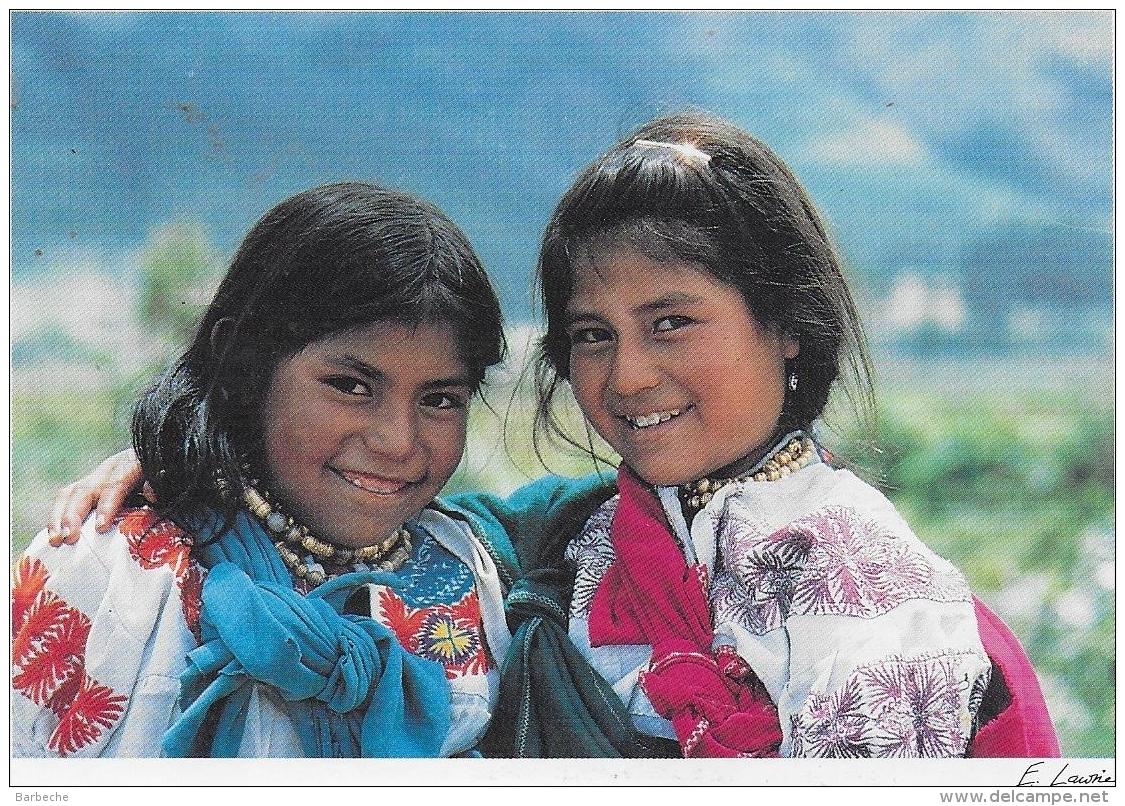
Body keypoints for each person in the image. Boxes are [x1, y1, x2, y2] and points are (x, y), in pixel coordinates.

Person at [39, 114, 1059, 759]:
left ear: (787, 323)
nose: (626, 375)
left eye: (671, 322)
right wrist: (190, 453)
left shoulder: (866, 580)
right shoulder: (563, 540)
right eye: (590, 336)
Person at [13, 181, 586, 758]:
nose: (397, 440)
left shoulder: (475, 566)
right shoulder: (115, 569)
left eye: (439, 398)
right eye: (350, 386)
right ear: (245, 367)